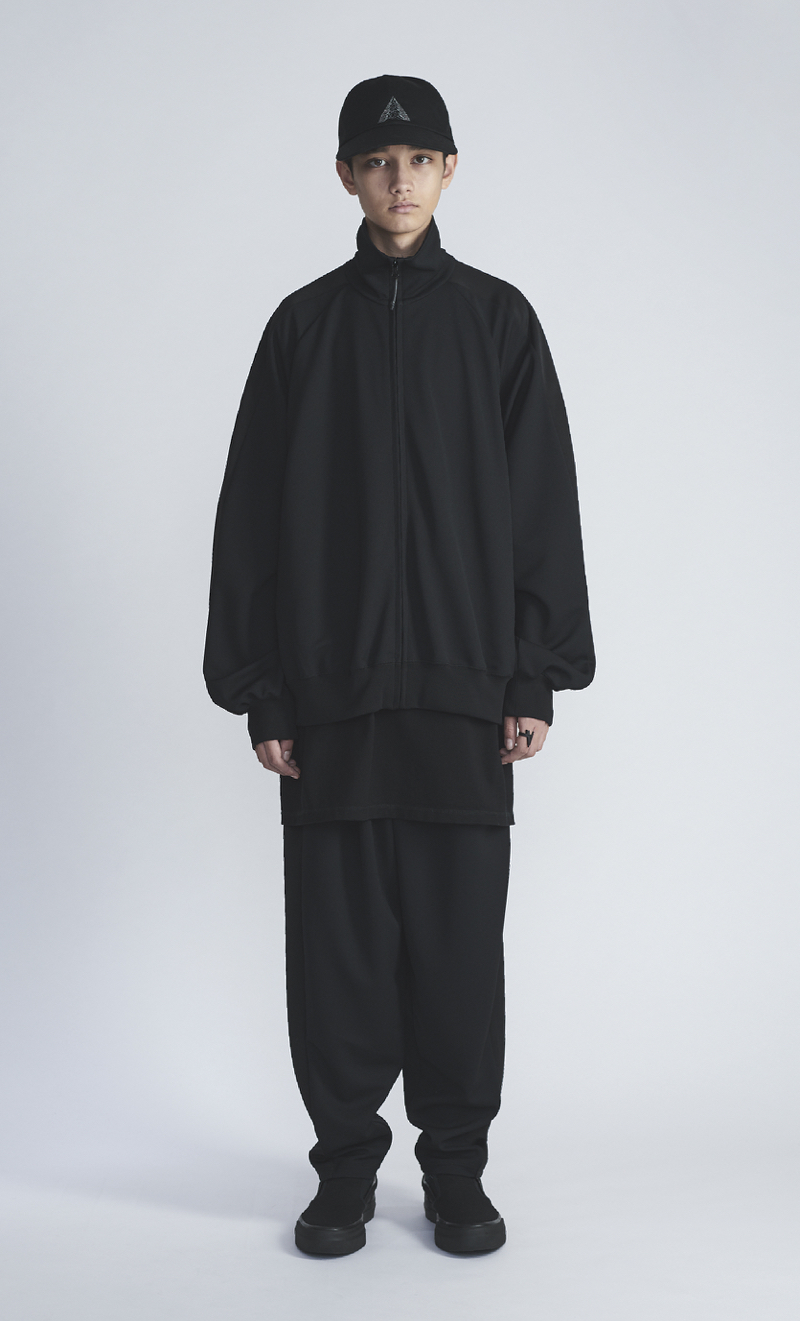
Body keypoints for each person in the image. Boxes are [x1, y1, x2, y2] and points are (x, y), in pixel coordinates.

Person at [203, 74, 595, 1257]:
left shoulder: (496, 322)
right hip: (329, 704)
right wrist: (264, 689)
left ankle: (455, 1173)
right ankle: (342, 1174)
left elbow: (541, 503)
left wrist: (530, 672)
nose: (398, 179)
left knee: (456, 953)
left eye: (419, 158)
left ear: (449, 170)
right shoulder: (300, 328)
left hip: (464, 698)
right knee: (336, 958)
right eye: (376, 161)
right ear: (344, 176)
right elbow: (250, 516)